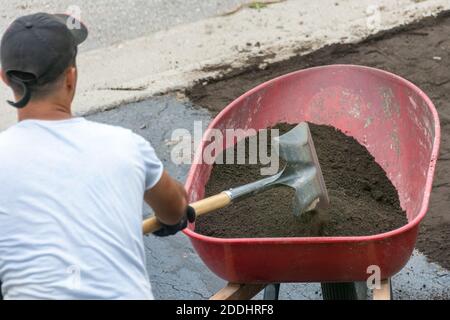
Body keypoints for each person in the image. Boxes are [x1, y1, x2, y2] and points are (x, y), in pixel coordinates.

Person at [0, 13, 194, 300]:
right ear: (71, 77)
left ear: (5, 78)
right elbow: (175, 206)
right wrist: (173, 217)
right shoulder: (126, 146)